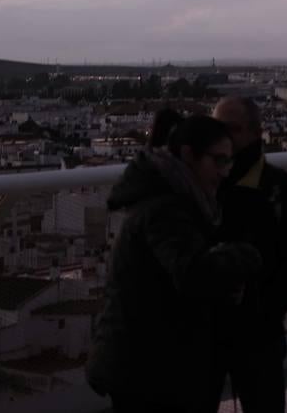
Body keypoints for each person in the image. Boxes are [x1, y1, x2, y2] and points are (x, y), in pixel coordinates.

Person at [88, 115, 261, 413]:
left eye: (227, 162)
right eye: (218, 161)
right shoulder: (166, 208)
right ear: (188, 155)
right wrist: (242, 257)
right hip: (150, 368)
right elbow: (192, 273)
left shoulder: (172, 197)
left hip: (149, 361)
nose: (224, 172)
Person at [212, 97, 287, 413]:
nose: (224, 137)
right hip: (207, 333)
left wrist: (263, 309)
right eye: (217, 128)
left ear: (257, 133)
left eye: (232, 128)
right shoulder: (201, 185)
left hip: (258, 334)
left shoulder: (283, 190)